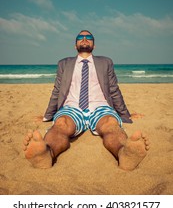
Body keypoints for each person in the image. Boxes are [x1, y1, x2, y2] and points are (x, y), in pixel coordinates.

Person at [23, 30, 149, 170]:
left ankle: (124, 154)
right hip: (72, 108)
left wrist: (125, 114)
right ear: (75, 45)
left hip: (100, 107)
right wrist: (48, 115)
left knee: (110, 123)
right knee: (61, 123)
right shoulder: (64, 64)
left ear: (94, 45)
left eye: (88, 37)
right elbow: (57, 91)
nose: (84, 39)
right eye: (80, 37)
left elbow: (114, 90)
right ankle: (47, 154)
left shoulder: (105, 62)